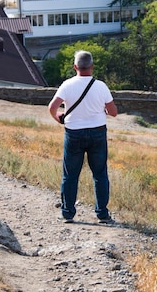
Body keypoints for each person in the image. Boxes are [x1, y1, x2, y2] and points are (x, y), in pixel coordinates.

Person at [48, 50, 118, 224]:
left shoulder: (67, 85)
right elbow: (114, 112)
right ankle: (102, 214)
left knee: (70, 175)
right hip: (97, 133)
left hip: (73, 133)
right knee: (100, 174)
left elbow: (52, 107)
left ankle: (68, 213)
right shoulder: (101, 86)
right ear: (92, 67)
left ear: (75, 67)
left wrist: (59, 119)